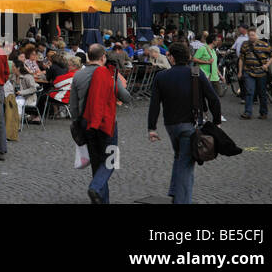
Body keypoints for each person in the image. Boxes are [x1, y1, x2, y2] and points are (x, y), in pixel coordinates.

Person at [148, 42, 221, 204]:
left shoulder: (161, 76)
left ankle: (174, 191)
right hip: (191, 124)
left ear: (172, 58)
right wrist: (216, 121)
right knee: (186, 166)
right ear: (187, 57)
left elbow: (154, 104)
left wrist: (151, 128)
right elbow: (214, 99)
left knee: (180, 156)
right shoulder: (196, 72)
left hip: (171, 125)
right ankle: (182, 200)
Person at [71, 43, 133, 203]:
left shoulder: (78, 76)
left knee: (97, 162)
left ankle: (100, 199)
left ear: (88, 57)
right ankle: (96, 187)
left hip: (87, 123)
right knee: (111, 159)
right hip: (108, 124)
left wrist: (79, 123)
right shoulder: (110, 75)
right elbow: (126, 97)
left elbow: (74, 106)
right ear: (103, 57)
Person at [238, 28, 272, 120]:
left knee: (262, 93)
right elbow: (241, 58)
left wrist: (267, 65)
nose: (251, 37)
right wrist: (240, 71)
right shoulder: (245, 45)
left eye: (253, 35)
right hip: (248, 71)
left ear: (257, 35)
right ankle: (248, 112)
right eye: (250, 35)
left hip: (261, 72)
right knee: (249, 92)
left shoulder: (264, 45)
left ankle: (263, 112)